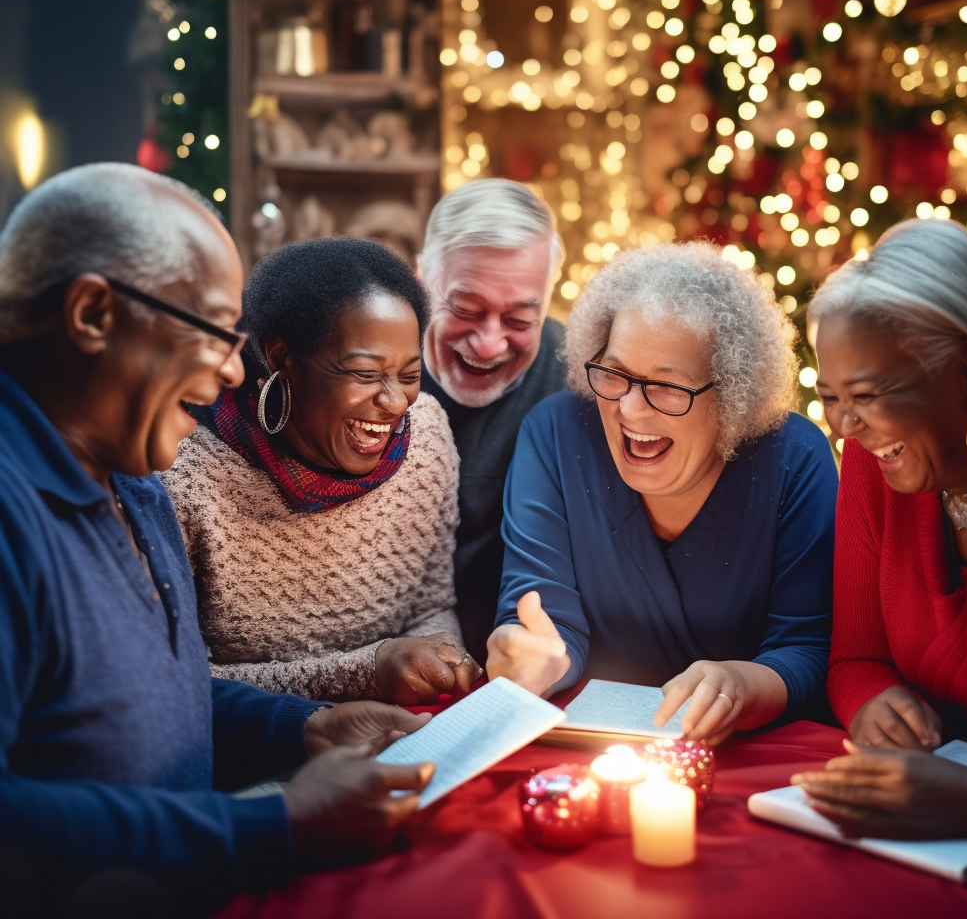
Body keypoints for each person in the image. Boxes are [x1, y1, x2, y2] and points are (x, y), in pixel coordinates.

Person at [0, 164, 434, 913]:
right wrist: (277, 824)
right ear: (94, 314)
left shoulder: (135, 478)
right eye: (210, 330)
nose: (235, 368)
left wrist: (305, 730)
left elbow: (158, 701)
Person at [487, 242, 838, 744]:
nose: (630, 410)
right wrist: (532, 657)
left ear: (734, 394)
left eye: (667, 387)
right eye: (615, 373)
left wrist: (740, 684)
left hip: (747, 758)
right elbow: (542, 619)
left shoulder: (794, 459)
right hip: (586, 749)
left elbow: (806, 647)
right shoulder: (557, 433)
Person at [163, 237, 481, 705]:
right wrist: (367, 673)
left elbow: (431, 606)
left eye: (410, 375)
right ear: (281, 358)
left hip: (403, 738)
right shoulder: (187, 473)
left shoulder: (427, 434)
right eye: (365, 374)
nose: (395, 403)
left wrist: (442, 661)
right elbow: (182, 680)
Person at [792, 219, 967, 841]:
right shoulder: (880, 463)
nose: (844, 428)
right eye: (831, 396)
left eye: (865, 394)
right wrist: (873, 701)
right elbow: (856, 658)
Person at [418, 179, 568, 663]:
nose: (488, 344)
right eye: (464, 309)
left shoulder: (578, 382)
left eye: (521, 320)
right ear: (421, 280)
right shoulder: (362, 363)